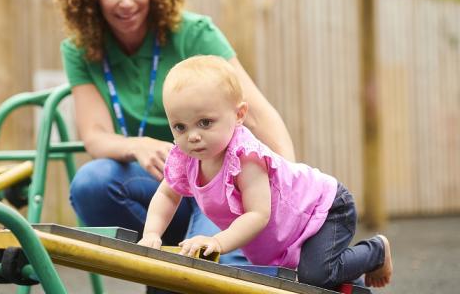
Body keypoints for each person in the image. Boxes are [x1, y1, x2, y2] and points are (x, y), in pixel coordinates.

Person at [55, 0, 294, 270]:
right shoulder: (81, 49)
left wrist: (289, 184)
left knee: (213, 260)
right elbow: (95, 135)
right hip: (162, 183)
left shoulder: (193, 33)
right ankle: (163, 251)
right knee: (91, 184)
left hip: (220, 180)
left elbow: (257, 114)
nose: (126, 1)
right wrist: (136, 145)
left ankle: (199, 255)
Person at [138, 55, 393, 290]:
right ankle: (345, 275)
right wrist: (151, 233)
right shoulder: (185, 158)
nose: (193, 136)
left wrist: (218, 242)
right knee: (303, 279)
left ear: (239, 115)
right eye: (180, 127)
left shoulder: (245, 157)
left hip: (324, 209)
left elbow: (259, 214)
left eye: (205, 123)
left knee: (314, 276)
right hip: (286, 230)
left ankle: (375, 251)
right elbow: (167, 195)